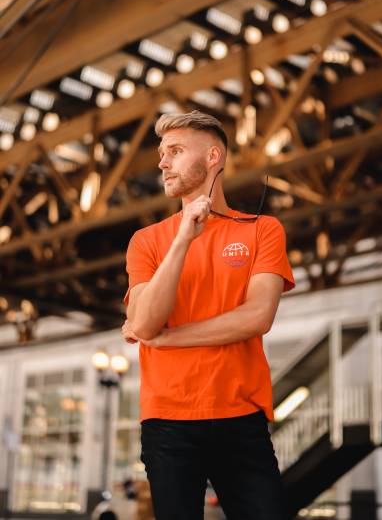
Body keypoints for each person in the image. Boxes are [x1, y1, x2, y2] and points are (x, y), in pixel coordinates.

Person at [122, 110, 295, 520]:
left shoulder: (262, 230)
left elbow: (257, 317)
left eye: (175, 151)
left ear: (213, 156)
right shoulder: (147, 241)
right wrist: (184, 237)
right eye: (162, 154)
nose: (163, 163)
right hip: (168, 420)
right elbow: (144, 323)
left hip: (241, 415)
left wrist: (168, 338)